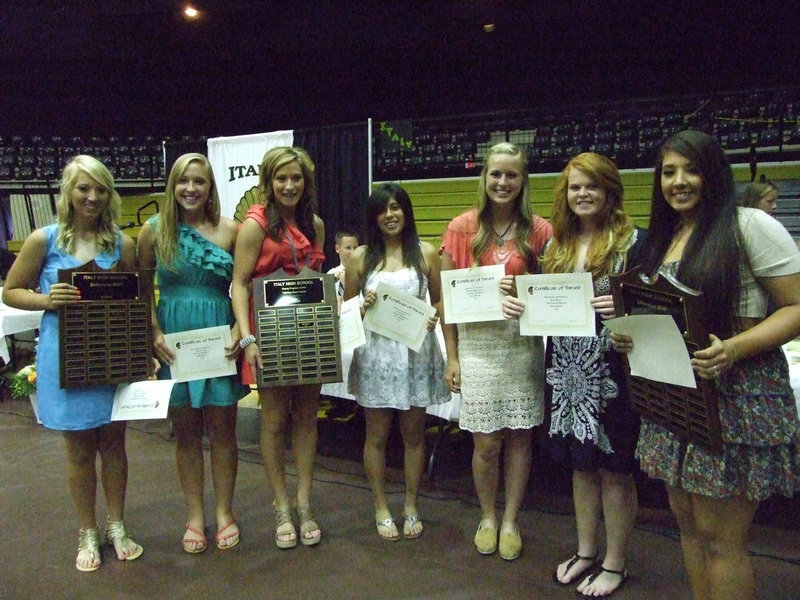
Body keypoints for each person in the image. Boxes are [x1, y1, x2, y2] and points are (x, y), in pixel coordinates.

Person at [611, 130, 800, 600]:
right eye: (669, 172)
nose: (678, 182)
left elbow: (796, 308)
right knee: (690, 530)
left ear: (713, 172)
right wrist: (629, 334)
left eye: (690, 170)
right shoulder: (667, 235)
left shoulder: (749, 224)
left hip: (737, 395)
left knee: (722, 539)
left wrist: (735, 348)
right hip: (677, 395)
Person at [503, 153, 644, 596]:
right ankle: (586, 552)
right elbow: (546, 307)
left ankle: (615, 562)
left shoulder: (634, 243)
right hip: (565, 369)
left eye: (592, 187)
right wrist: (520, 305)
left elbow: (656, 308)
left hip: (614, 370)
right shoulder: (554, 246)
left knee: (614, 468)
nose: (582, 194)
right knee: (581, 466)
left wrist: (628, 309)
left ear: (610, 192)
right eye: (575, 187)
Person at [2, 155, 143, 572]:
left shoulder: (123, 243)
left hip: (111, 355)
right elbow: (11, 291)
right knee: (79, 450)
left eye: (101, 189)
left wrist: (141, 351)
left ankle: (116, 525)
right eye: (84, 188)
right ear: (67, 192)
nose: (93, 196)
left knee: (115, 446)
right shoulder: (43, 240)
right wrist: (47, 300)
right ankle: (87, 530)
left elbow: (136, 302)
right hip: (66, 357)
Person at [440, 142, 552, 560]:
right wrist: (452, 356)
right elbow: (447, 301)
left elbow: (550, 293)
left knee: (521, 439)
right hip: (478, 346)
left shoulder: (540, 229)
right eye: (495, 174)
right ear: (483, 178)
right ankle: (488, 516)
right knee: (486, 443)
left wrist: (523, 292)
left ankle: (511, 520)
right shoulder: (460, 227)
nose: (502, 182)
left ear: (523, 181)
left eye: (512, 175)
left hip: (521, 344)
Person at [137, 153, 249, 553]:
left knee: (223, 431)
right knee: (185, 434)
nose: (191, 189)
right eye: (183, 181)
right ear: (173, 186)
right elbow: (141, 287)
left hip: (220, 338)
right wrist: (153, 332)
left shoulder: (232, 231)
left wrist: (240, 327)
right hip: (175, 342)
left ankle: (224, 513)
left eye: (199, 181)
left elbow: (243, 286)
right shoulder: (153, 232)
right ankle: (195, 517)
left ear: (210, 187)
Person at [231, 146, 326, 549]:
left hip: (307, 331)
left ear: (306, 182)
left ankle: (305, 503)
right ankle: (281, 504)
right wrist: (247, 336)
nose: (289, 185)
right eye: (281, 178)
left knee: (306, 416)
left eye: (296, 178)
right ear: (268, 182)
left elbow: (315, 280)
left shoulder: (315, 224)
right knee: (273, 421)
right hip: (268, 335)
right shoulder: (254, 226)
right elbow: (238, 283)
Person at [344, 183, 450, 541]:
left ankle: (410, 504)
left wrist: (433, 317)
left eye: (396, 207)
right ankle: (380, 506)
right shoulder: (359, 257)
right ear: (374, 217)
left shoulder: (427, 253)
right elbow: (345, 311)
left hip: (416, 353)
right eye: (382, 209)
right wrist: (362, 305)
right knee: (376, 435)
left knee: (414, 434)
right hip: (376, 355)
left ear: (406, 211)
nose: (390, 215)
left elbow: (439, 302)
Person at [328, 228, 359, 311]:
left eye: (355, 248)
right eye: (348, 248)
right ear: (337, 249)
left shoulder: (364, 274)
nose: (353, 252)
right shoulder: (330, 275)